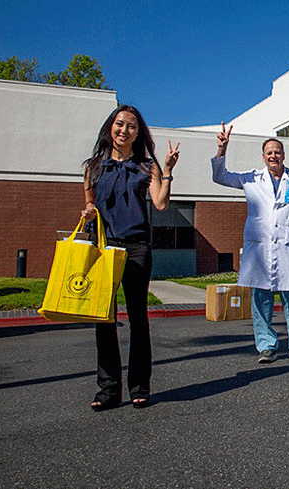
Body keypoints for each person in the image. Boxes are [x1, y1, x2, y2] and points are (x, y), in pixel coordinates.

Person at [82, 105, 180, 411]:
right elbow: (89, 206)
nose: (124, 130)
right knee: (104, 317)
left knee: (138, 318)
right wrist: (88, 211)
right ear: (110, 127)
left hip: (137, 246)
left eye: (132, 126)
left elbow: (161, 204)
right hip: (104, 247)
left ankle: (140, 386)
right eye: (120, 124)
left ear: (139, 133)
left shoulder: (146, 167)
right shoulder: (93, 167)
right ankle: (108, 390)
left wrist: (168, 169)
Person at [212, 128, 289, 364]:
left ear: (283, 155)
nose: (273, 156)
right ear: (263, 156)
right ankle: (266, 347)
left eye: (277, 152)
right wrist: (222, 148)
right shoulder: (251, 178)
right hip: (260, 250)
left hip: (288, 248)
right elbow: (220, 176)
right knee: (261, 300)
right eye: (269, 153)